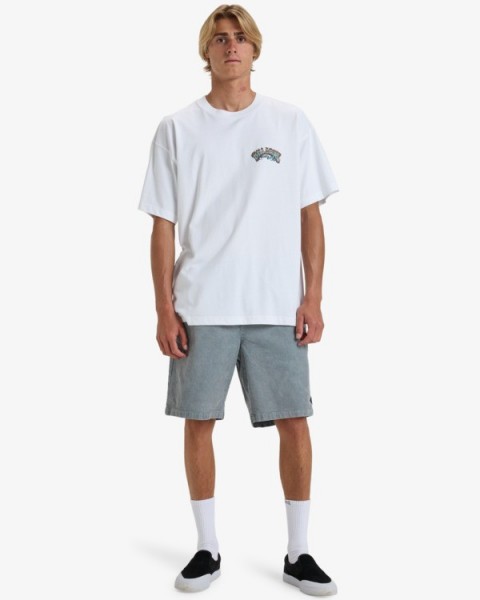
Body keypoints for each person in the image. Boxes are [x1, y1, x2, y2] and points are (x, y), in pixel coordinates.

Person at [138, 4, 339, 596]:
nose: (232, 46)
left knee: (295, 423)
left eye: (241, 38)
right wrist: (163, 308)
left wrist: (313, 297)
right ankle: (206, 549)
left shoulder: (289, 122)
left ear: (255, 49)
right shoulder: (177, 128)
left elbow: (310, 215)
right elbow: (162, 226)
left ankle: (299, 553)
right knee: (198, 422)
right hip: (202, 305)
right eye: (221, 38)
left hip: (276, 305)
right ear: (206, 51)